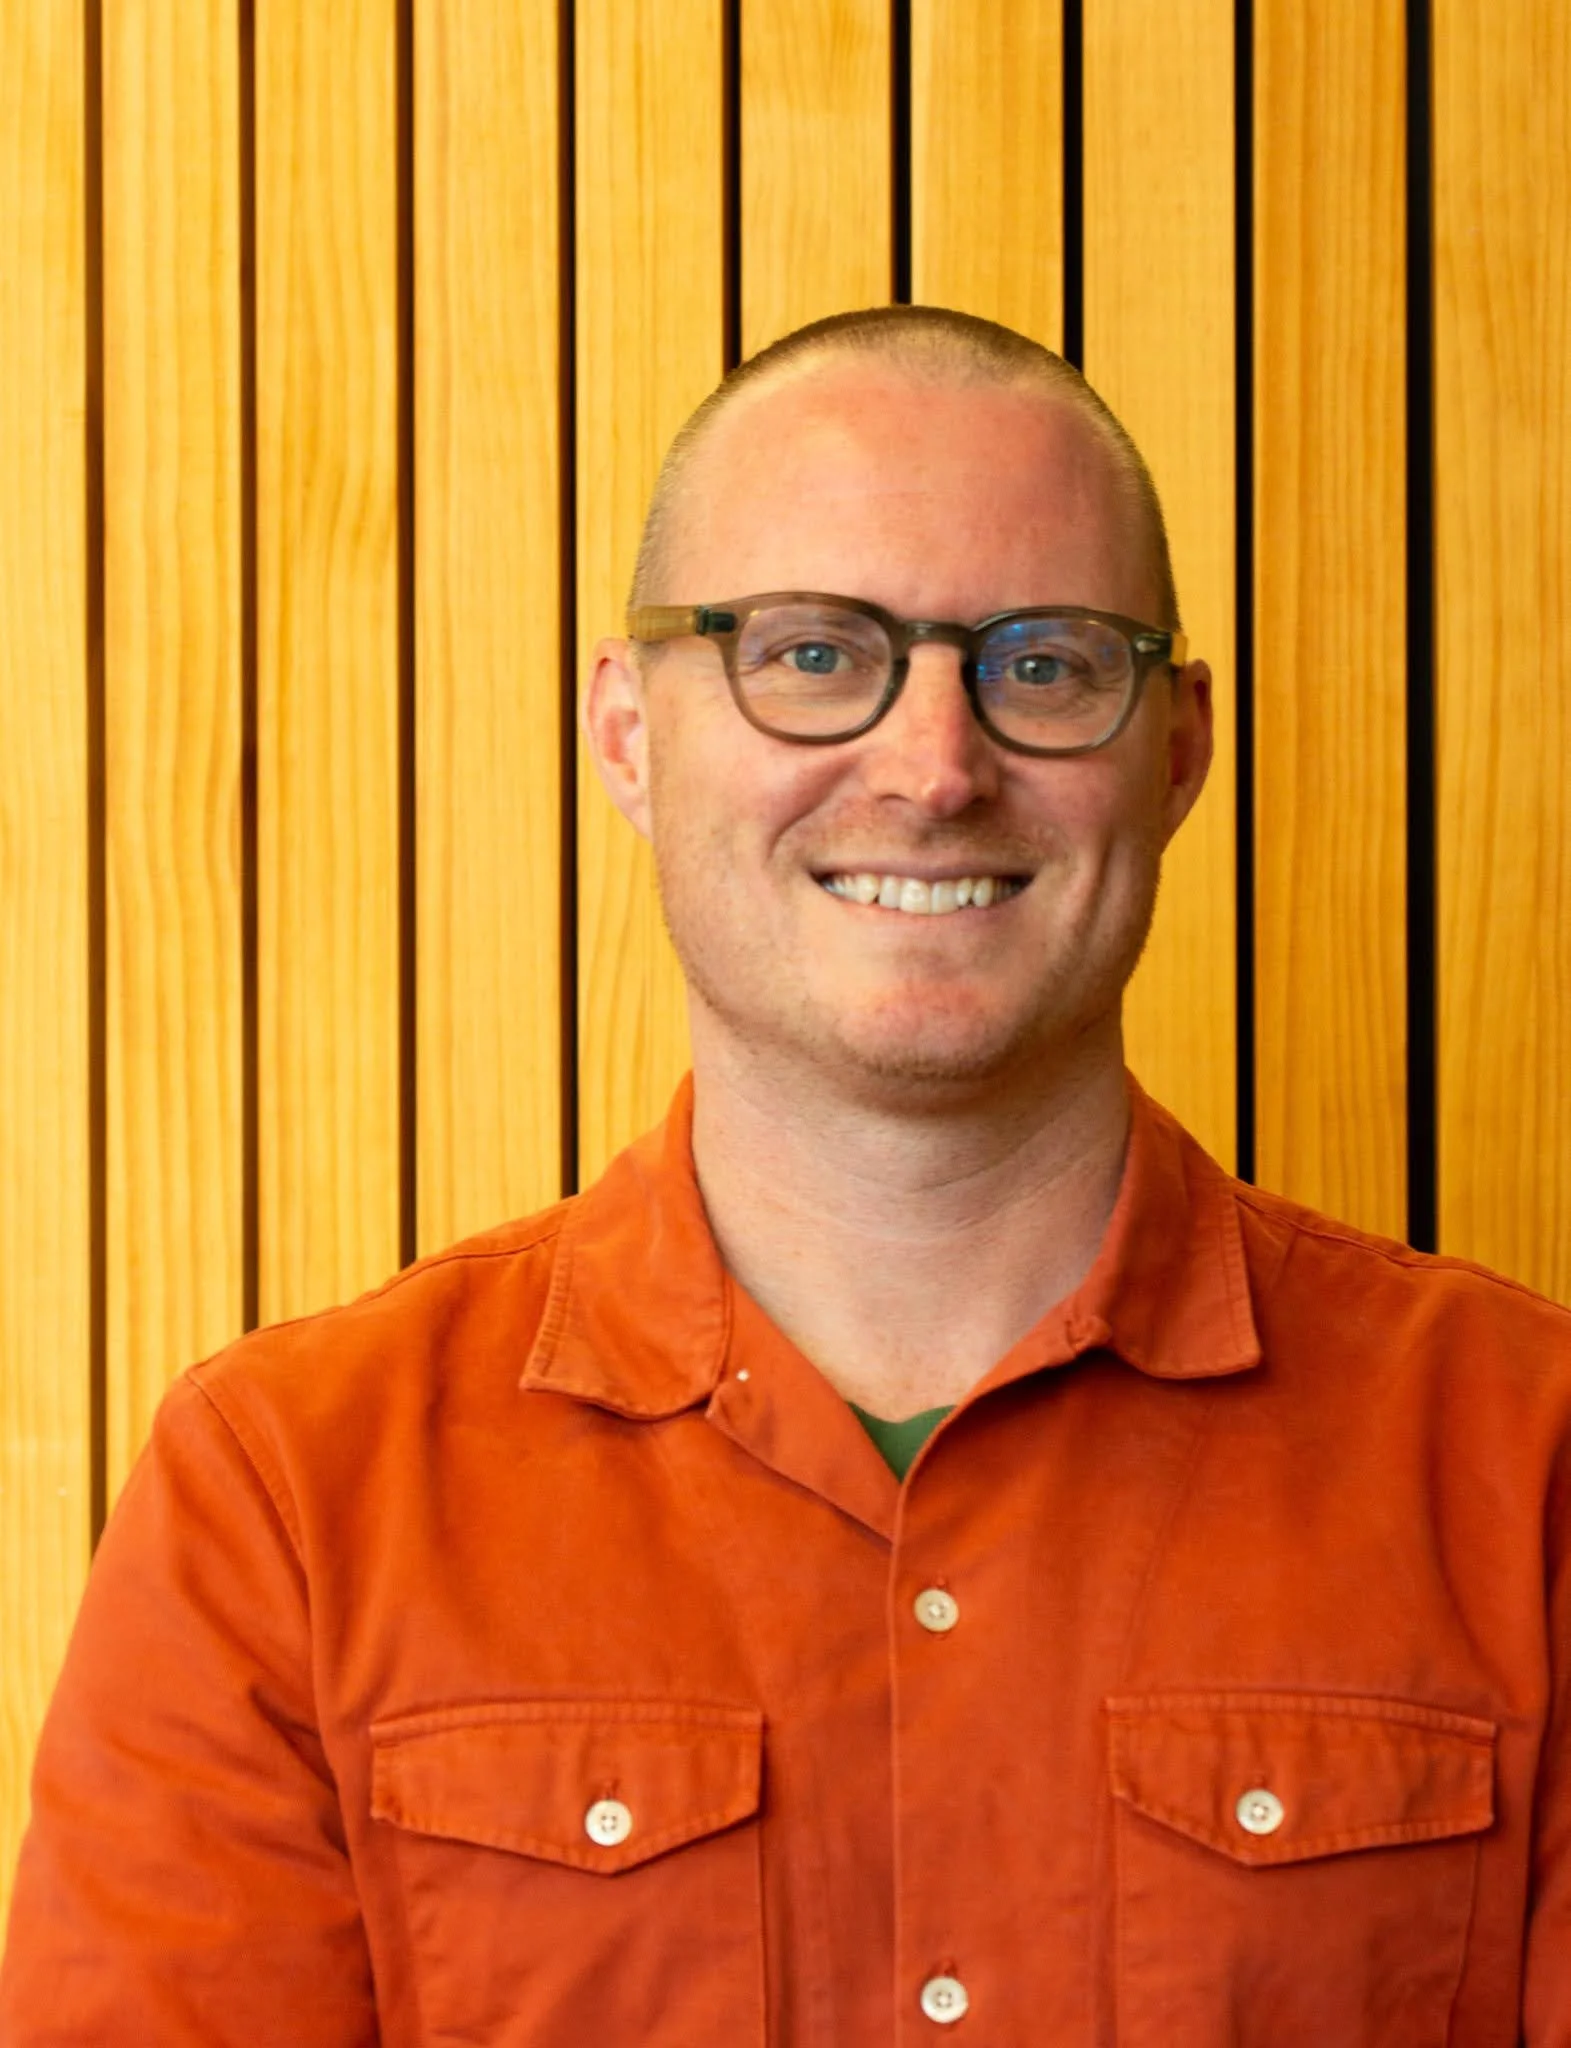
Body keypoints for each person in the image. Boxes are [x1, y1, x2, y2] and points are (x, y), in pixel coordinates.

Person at [2, 304, 1569, 2047]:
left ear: (1179, 747)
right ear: (626, 734)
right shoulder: (289, 1499)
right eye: (813, 655)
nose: (931, 764)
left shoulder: (1529, 1459)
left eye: (1042, 662)